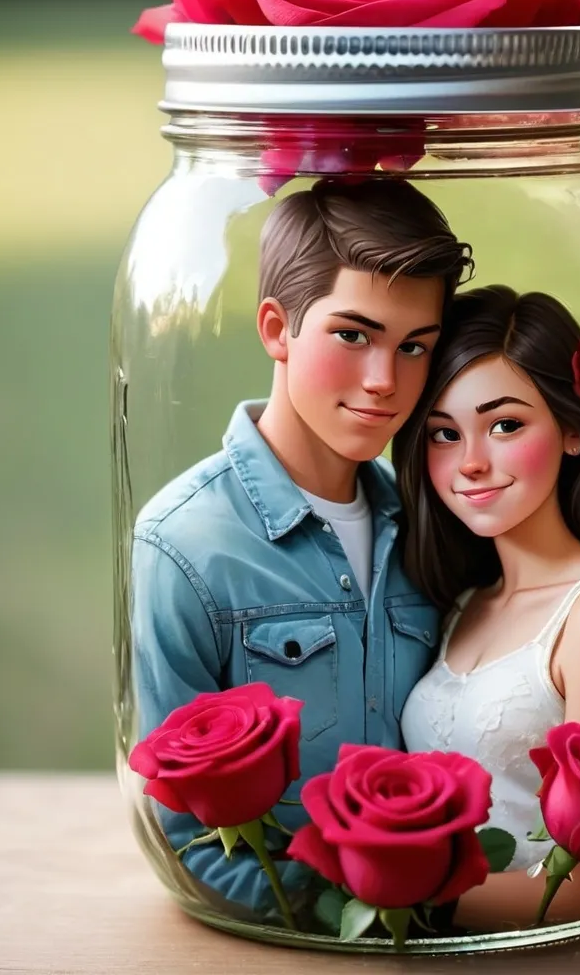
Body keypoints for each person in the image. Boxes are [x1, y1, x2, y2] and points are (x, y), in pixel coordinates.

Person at [130, 178, 473, 918]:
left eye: (414, 346)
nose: (384, 382)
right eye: (353, 335)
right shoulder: (186, 545)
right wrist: (351, 919)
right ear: (277, 328)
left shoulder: (431, 523)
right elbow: (187, 831)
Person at [395, 285, 580, 931]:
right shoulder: (462, 603)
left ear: (574, 429)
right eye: (444, 433)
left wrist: (409, 903)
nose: (470, 463)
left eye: (505, 425)